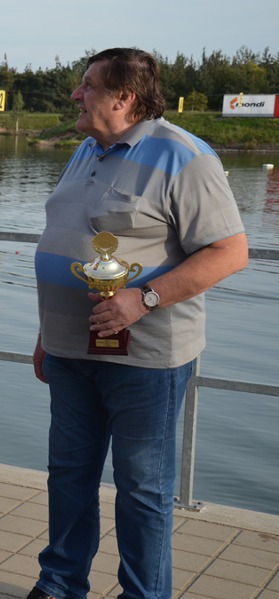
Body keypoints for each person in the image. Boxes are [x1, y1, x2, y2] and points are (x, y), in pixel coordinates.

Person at [28, 48, 248, 599]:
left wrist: (143, 298)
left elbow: (229, 251)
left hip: (145, 359)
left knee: (143, 490)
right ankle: (59, 586)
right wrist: (44, 335)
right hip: (69, 352)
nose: (75, 95)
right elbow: (67, 244)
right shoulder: (86, 150)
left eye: (87, 86)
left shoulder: (184, 157)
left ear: (123, 97)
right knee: (69, 478)